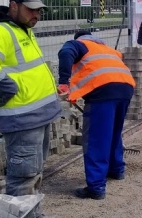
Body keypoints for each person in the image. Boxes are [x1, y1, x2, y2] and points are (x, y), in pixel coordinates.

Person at [0, 0, 62, 218]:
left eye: (39, 11)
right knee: (23, 175)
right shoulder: (0, 31)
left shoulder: (23, 29)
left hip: (36, 116)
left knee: (34, 171)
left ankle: (33, 215)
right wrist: (7, 85)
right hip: (22, 118)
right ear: (13, 6)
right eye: (31, 10)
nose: (36, 15)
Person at [57, 30, 135, 200]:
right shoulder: (106, 49)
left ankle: (96, 186)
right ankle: (116, 170)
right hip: (126, 87)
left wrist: (64, 82)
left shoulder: (78, 44)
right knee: (113, 133)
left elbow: (65, 52)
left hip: (102, 91)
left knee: (96, 139)